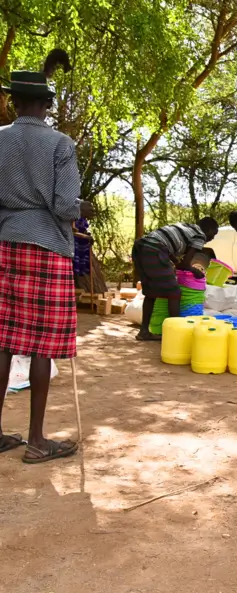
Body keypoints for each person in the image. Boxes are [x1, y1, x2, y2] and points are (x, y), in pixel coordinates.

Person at [0, 50, 90, 464]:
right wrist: (82, 208)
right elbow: (62, 205)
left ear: (13, 102)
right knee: (41, 345)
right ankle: (37, 440)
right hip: (46, 247)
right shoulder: (60, 143)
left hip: (4, 243)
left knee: (2, 342)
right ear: (47, 105)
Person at [132, 217, 219, 341]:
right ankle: (175, 334)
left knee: (150, 293)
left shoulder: (186, 227)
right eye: (213, 234)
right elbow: (186, 264)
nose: (212, 238)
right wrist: (195, 271)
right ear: (208, 229)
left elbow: (172, 252)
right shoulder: (200, 236)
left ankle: (144, 332)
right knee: (174, 292)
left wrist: (176, 262)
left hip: (140, 248)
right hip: (155, 249)